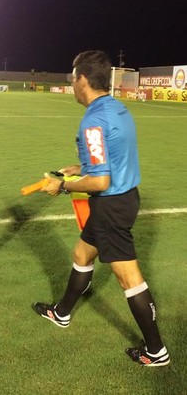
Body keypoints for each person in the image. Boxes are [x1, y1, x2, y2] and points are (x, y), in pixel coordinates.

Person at [33, 51, 170, 367]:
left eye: (72, 78)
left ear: (82, 80)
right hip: (125, 198)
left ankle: (156, 350)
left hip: (111, 206)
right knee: (82, 255)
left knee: (129, 278)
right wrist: (76, 168)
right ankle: (62, 312)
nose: (72, 84)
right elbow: (110, 156)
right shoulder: (117, 109)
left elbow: (100, 181)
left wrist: (63, 185)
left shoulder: (93, 121)